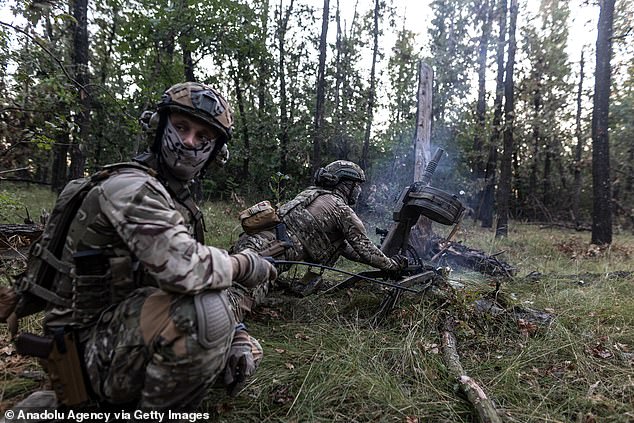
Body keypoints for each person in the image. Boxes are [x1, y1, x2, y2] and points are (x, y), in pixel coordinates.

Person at [3, 82, 277, 414]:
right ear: (158, 127)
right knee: (207, 317)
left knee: (244, 344)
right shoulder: (131, 187)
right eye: (181, 127)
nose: (189, 142)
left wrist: (238, 336)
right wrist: (245, 264)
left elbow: (192, 282)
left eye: (203, 137)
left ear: (215, 154)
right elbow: (186, 271)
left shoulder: (174, 200)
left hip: (119, 338)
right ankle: (79, 405)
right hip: (81, 353)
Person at [230, 160, 407, 319]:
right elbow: (364, 249)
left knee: (219, 277)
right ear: (346, 185)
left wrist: (383, 260)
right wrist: (392, 265)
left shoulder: (312, 194)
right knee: (235, 305)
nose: (359, 191)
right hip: (265, 256)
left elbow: (348, 250)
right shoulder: (340, 209)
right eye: (357, 185)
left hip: (252, 243)